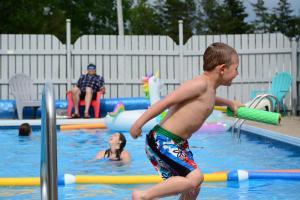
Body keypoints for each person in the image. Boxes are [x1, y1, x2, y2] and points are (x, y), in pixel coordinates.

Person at [130, 42, 243, 200]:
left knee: (193, 187)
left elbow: (209, 99)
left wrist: (230, 103)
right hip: (162, 139)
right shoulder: (199, 83)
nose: (237, 73)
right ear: (222, 69)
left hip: (177, 143)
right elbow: (166, 102)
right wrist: (138, 124)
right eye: (236, 68)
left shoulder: (209, 88)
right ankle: (143, 196)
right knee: (195, 178)